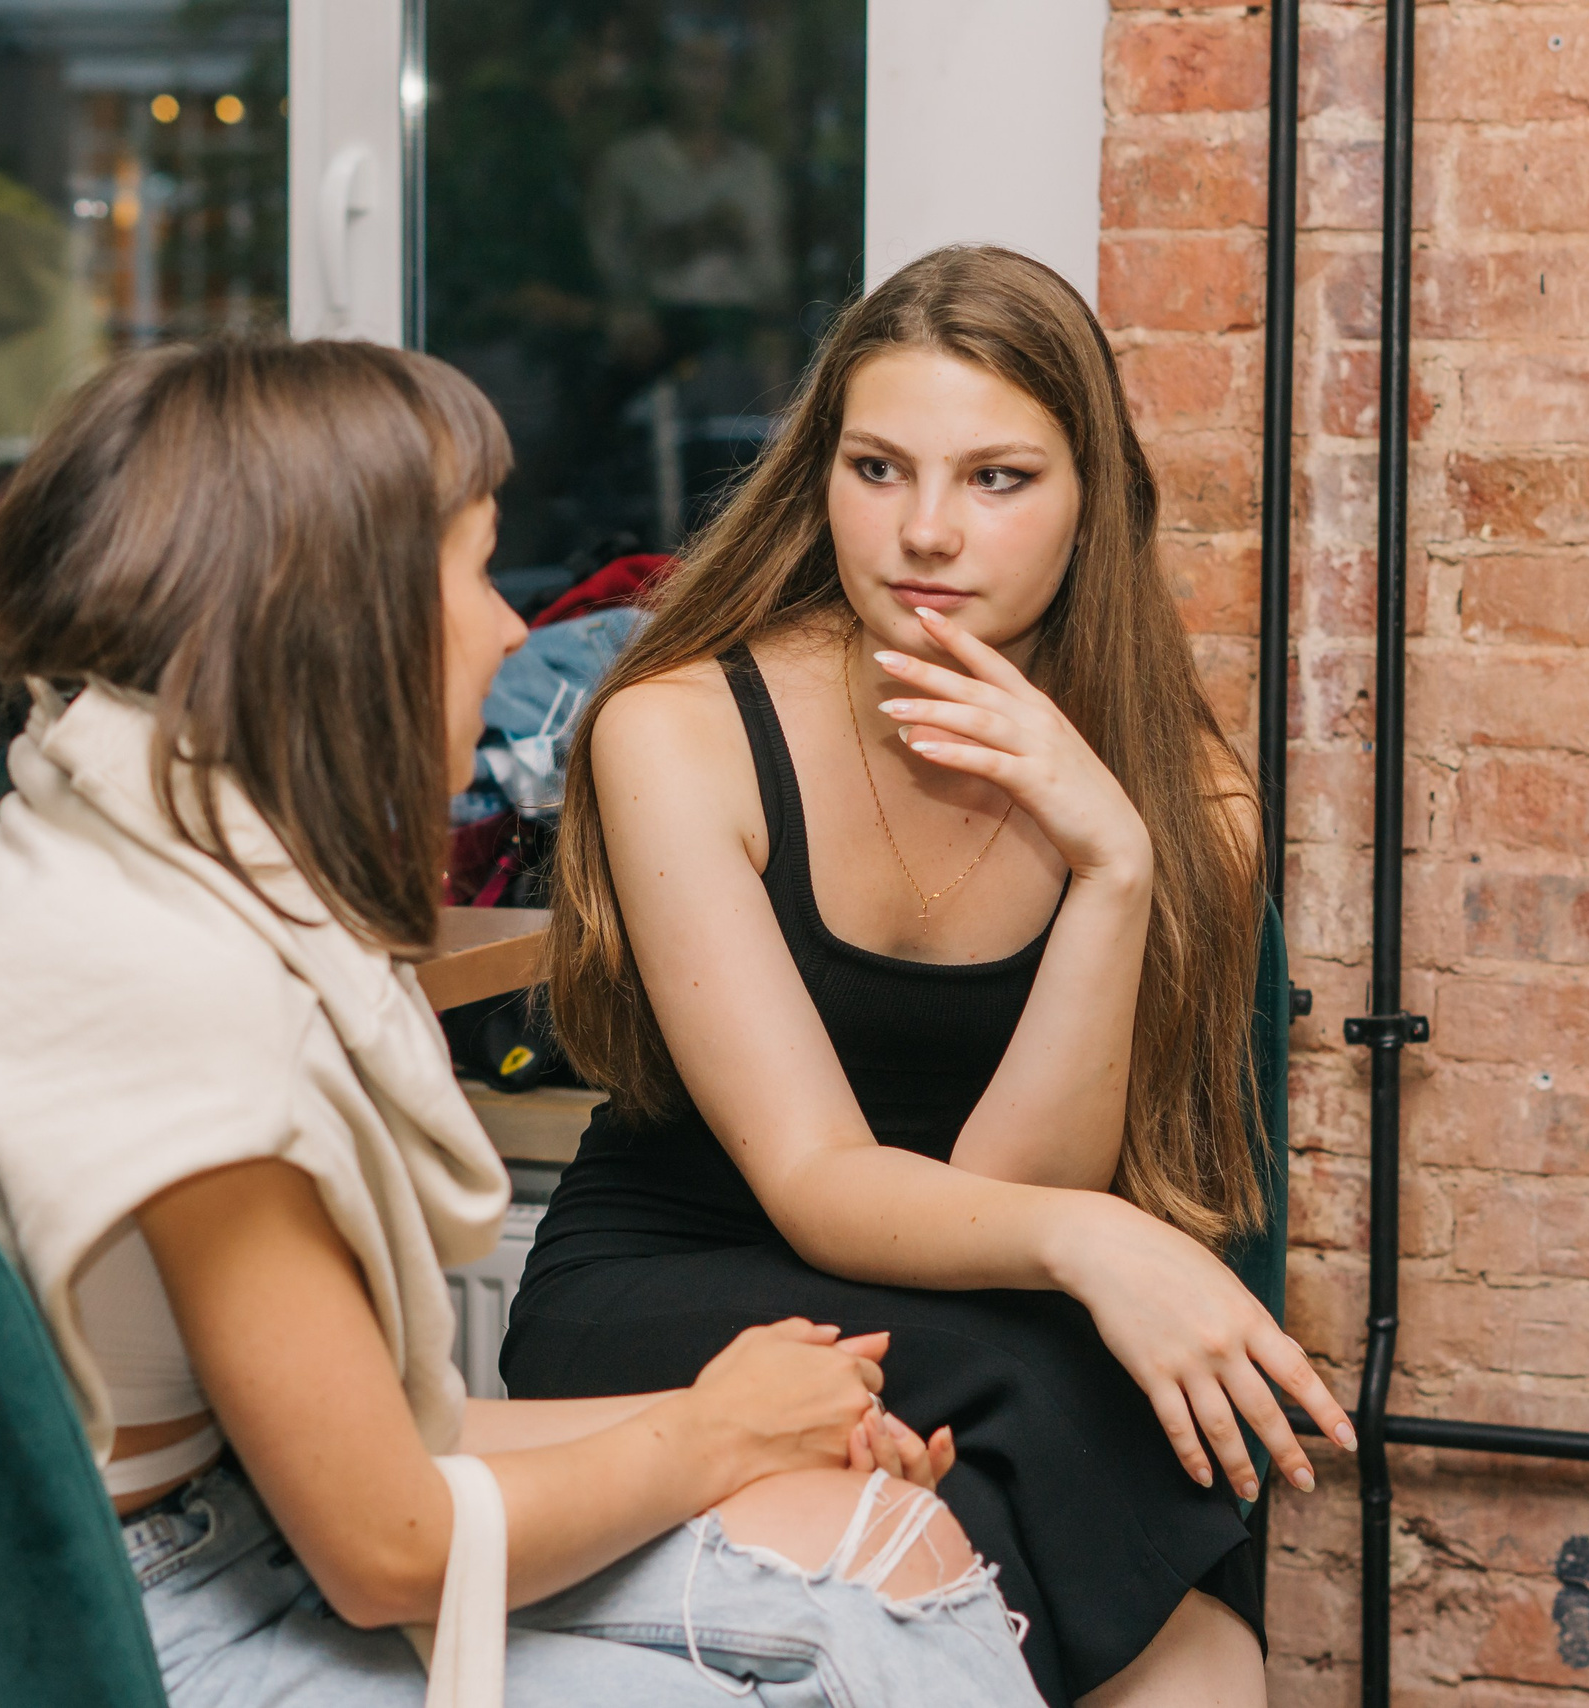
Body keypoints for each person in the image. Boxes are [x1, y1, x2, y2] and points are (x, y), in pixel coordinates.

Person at [0, 338, 1044, 1708]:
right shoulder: (173, 989)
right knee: (886, 1626)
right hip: (116, 1627)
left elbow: (360, 1441)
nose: (514, 630)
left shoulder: (98, 850)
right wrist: (705, 1434)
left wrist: (762, 1427)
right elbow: (386, 1549)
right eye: (473, 572)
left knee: (886, 1535)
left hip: (175, 1534)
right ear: (343, 620)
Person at [506, 246, 1355, 1707]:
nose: (927, 534)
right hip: (676, 1274)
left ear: (1093, 500)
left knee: (1090, 1468)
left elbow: (1016, 1176)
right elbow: (820, 1177)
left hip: (966, 1310)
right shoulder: (682, 730)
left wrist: (1112, 869)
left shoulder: (1185, 798)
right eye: (879, 468)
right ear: (816, 477)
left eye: (998, 479)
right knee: (1090, 1418)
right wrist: (1102, 1247)